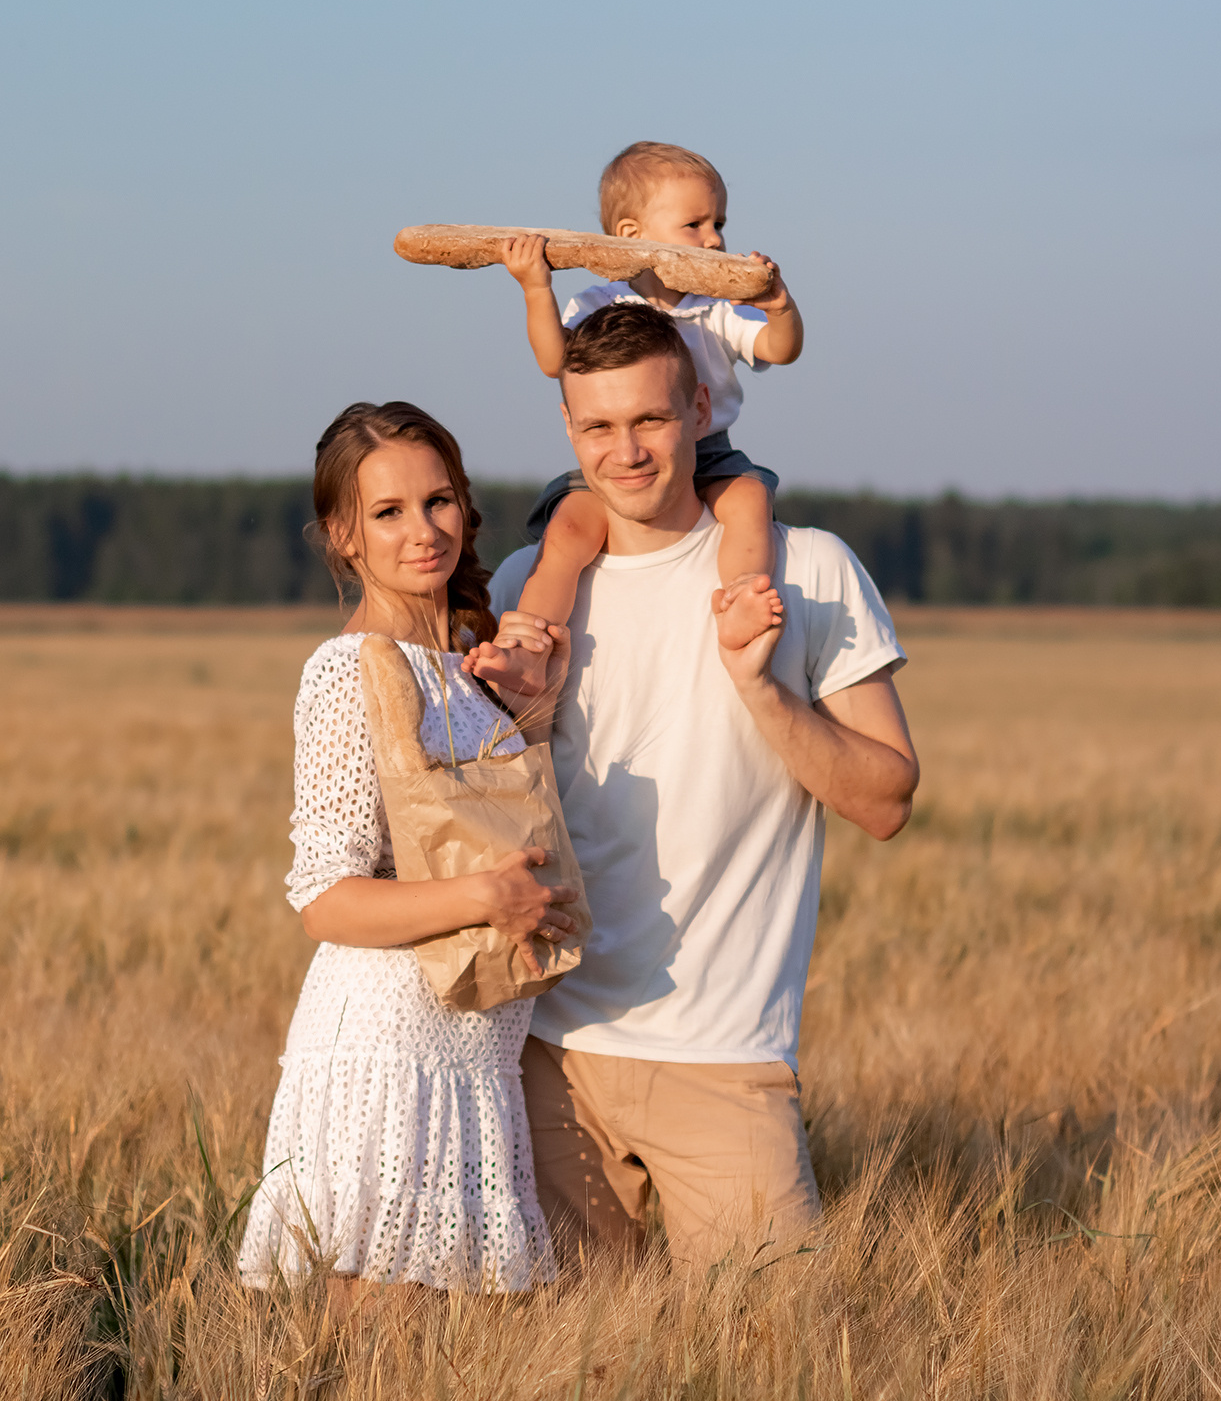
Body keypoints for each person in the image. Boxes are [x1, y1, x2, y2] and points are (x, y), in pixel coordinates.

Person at [464, 306, 919, 1269]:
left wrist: (761, 688)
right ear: (568, 431)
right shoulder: (523, 590)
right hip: (547, 1052)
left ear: (701, 408)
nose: (625, 452)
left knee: (773, 1375)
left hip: (724, 1057)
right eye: (597, 427)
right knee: (560, 1376)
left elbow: (886, 800)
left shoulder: (811, 571)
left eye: (650, 422)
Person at [238, 401, 579, 1296]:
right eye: (387, 513)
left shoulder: (462, 660)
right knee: (369, 1378)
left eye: (439, 501)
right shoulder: (350, 670)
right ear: (344, 535)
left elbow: (478, 826)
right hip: (391, 1067)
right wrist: (484, 902)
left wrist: (534, 707)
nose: (423, 531)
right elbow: (325, 898)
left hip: (470, 1061)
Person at [500, 141, 804, 680]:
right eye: (694, 224)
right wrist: (534, 288)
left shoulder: (716, 308)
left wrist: (778, 306)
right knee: (569, 529)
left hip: (710, 454)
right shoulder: (599, 303)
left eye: (719, 223)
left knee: (749, 501)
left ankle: (739, 604)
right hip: (621, 456)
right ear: (631, 237)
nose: (714, 239)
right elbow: (554, 361)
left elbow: (781, 350)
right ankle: (528, 640)